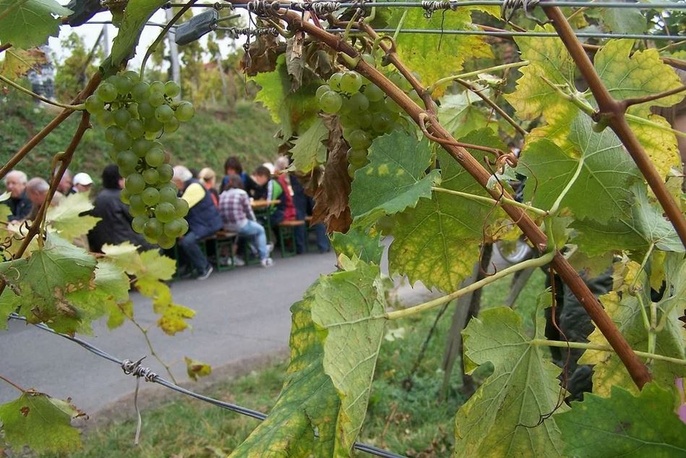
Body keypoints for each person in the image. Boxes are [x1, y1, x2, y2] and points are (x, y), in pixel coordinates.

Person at [88, 165, 154, 253]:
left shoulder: (98, 198)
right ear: (119, 181)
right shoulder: (123, 199)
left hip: (103, 248)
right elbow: (138, 221)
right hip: (126, 246)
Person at [172, 165, 223, 280]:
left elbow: (181, 207)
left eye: (173, 182)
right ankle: (189, 267)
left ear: (179, 181)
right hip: (199, 223)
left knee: (187, 242)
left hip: (208, 223)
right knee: (178, 240)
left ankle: (204, 267)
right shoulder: (186, 187)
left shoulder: (194, 187)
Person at [219, 174, 273, 267]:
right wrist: (254, 222)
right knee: (260, 230)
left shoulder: (222, 194)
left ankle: (259, 249)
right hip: (239, 224)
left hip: (226, 225)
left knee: (251, 231)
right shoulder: (242, 193)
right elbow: (249, 212)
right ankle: (264, 258)